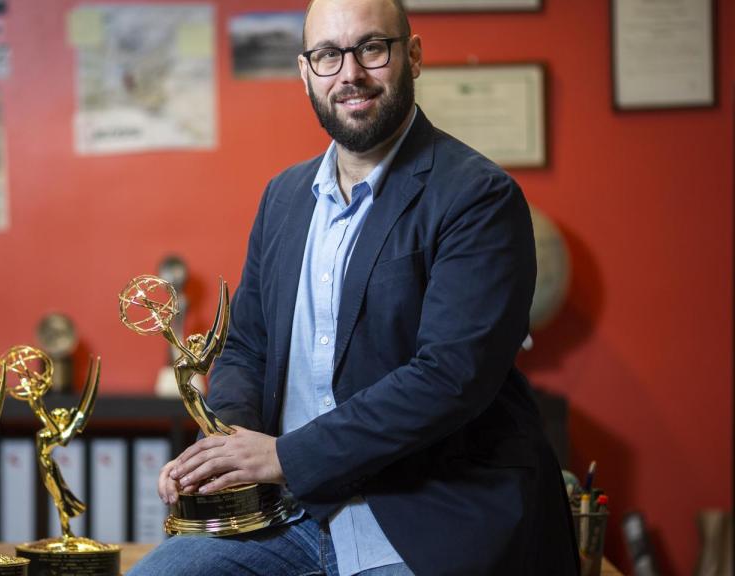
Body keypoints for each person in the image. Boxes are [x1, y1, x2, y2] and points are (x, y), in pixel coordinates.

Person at [128, 0, 578, 573]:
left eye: (371, 48)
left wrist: (283, 457)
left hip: (427, 515)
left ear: (412, 56)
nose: (350, 74)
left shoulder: (477, 196)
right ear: (305, 72)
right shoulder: (284, 198)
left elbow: (450, 376)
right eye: (327, 55)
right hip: (292, 517)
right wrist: (227, 447)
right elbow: (247, 346)